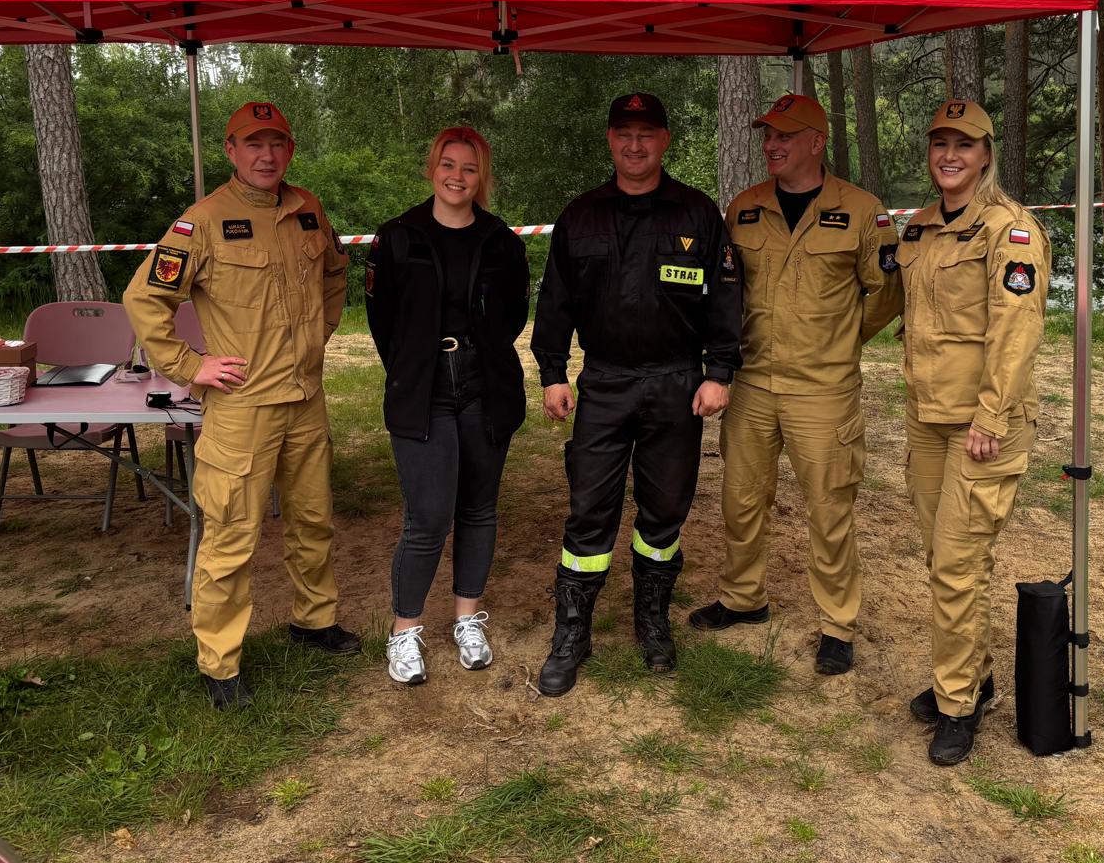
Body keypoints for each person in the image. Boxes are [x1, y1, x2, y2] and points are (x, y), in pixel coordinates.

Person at [125, 101, 359, 711]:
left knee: (313, 521)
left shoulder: (307, 208)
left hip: (305, 398)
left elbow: (335, 273)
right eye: (253, 144)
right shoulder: (201, 222)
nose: (266, 155)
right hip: (243, 407)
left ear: (291, 150)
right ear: (230, 151)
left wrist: (319, 334)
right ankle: (220, 662)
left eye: (276, 143)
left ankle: (314, 621)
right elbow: (144, 299)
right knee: (231, 538)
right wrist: (190, 366)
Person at [530, 92, 742, 696]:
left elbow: (727, 296)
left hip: (677, 383)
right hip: (605, 382)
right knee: (588, 510)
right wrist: (552, 372)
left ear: (664, 141)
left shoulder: (697, 213)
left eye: (646, 133)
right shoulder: (581, 216)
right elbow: (555, 301)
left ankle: (652, 621)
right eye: (624, 133)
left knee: (664, 509)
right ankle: (572, 633)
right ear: (609, 140)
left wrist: (719, 372)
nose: (634, 144)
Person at [689, 93, 902, 675]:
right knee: (741, 500)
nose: (771, 145)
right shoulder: (745, 207)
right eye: (767, 135)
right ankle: (743, 598)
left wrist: (842, 341)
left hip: (823, 390)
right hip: (753, 383)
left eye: (784, 135)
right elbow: (724, 290)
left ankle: (838, 624)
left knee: (829, 509)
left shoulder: (861, 210)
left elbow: (886, 292)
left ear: (816, 141)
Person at [897, 98, 1050, 765]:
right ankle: (973, 675)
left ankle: (958, 704)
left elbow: (1016, 330)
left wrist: (991, 414)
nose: (950, 155)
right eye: (940, 144)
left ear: (987, 154)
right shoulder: (920, 226)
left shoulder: (1010, 231)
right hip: (928, 418)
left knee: (959, 566)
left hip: (983, 426)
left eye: (964, 144)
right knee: (943, 560)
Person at [366, 127, 529, 686]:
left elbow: (513, 316)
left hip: (485, 386)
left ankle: (467, 619)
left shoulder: (502, 241)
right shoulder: (398, 236)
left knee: (479, 508)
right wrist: (414, 365)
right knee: (429, 517)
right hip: (424, 388)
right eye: (448, 165)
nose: (457, 177)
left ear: (483, 177)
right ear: (432, 168)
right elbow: (382, 320)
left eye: (470, 168)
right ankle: (404, 629)